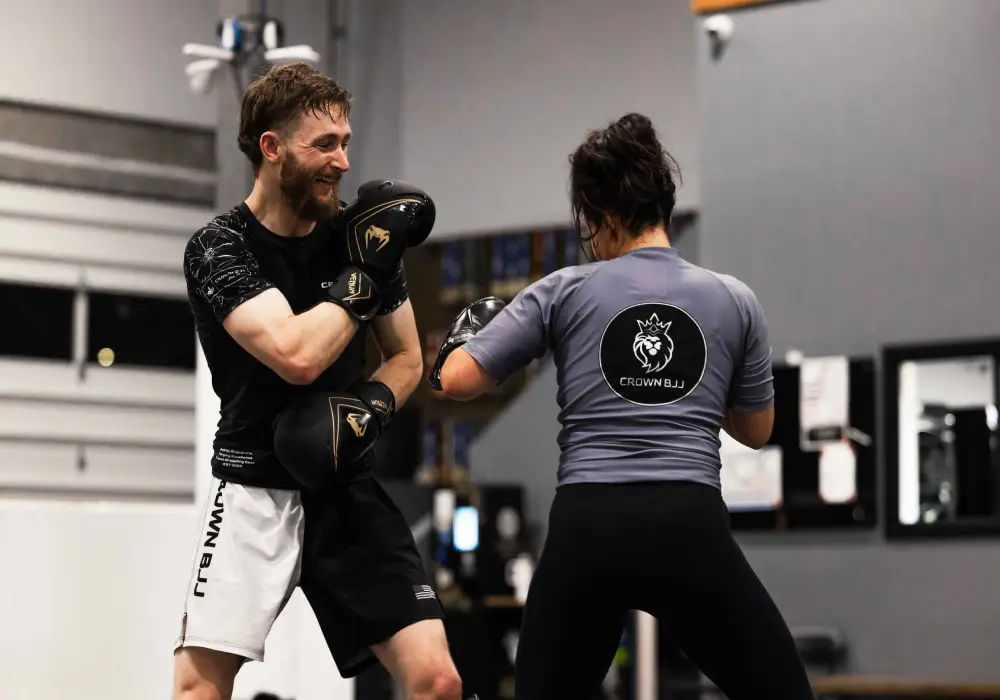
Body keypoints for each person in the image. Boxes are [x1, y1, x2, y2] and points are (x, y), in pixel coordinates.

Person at [427, 113, 816, 700]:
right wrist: (701, 385)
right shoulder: (734, 300)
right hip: (687, 523)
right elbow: (757, 431)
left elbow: (455, 381)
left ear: (601, 217)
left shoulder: (564, 289)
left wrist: (465, 337)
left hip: (590, 525)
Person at [174, 62, 466, 700]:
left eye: (346, 143)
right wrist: (361, 276)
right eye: (324, 145)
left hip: (345, 489)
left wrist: (369, 412)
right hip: (255, 489)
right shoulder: (220, 248)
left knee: (437, 680)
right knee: (199, 690)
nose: (341, 162)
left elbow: (408, 357)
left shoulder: (359, 239)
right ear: (272, 149)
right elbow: (295, 354)